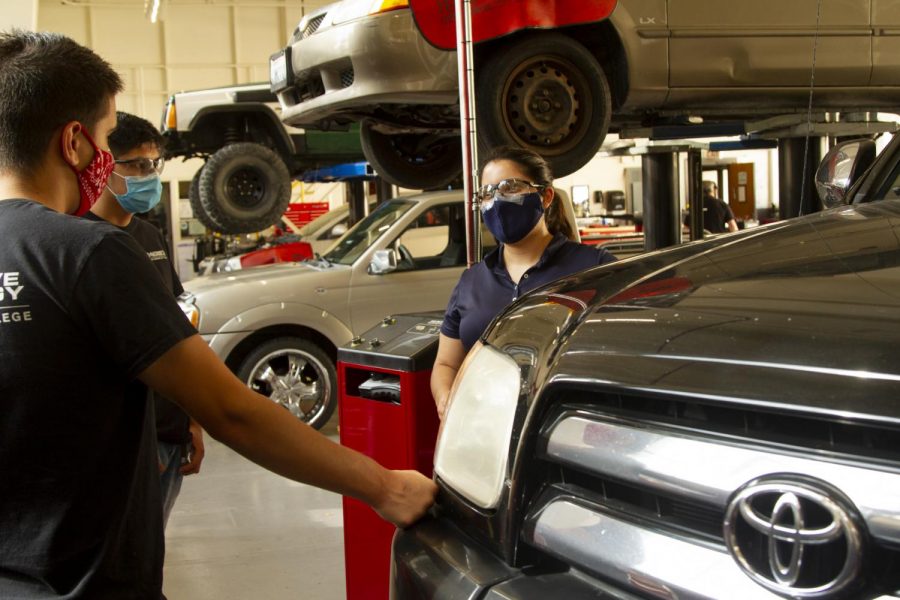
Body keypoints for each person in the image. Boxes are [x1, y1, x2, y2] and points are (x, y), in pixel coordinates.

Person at [0, 30, 435, 599]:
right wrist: (385, 488)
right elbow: (235, 412)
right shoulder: (88, 251)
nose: (110, 161)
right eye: (109, 139)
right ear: (75, 142)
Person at [431, 146, 617, 419]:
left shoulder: (595, 267)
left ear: (546, 196)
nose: (497, 200)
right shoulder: (471, 281)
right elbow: (446, 363)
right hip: (486, 430)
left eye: (511, 188)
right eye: (487, 193)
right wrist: (445, 397)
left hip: (566, 428)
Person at [84, 111, 204, 527]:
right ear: (104, 167)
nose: (149, 174)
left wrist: (192, 419)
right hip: (127, 444)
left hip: (171, 433)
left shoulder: (149, 236)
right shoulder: (80, 242)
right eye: (136, 164)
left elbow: (177, 330)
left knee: (152, 550)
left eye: (155, 163)